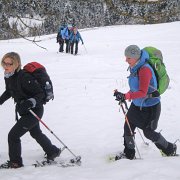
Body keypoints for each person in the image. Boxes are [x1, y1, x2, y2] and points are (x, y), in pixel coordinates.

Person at [114, 45, 177, 160]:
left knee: (148, 132)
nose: (126, 60)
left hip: (151, 107)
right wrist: (123, 95)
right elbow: (135, 89)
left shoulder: (144, 70)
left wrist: (127, 96)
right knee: (128, 126)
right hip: (137, 104)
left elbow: (143, 92)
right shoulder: (135, 67)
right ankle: (129, 154)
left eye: (128, 58)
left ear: (135, 57)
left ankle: (169, 148)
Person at [0, 52, 61, 168]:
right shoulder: (8, 75)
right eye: (4, 62)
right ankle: (52, 151)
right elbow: (9, 91)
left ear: (16, 64)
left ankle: (15, 162)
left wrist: (29, 102)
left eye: (10, 63)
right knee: (35, 132)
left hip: (34, 111)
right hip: (25, 111)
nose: (6, 65)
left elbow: (40, 93)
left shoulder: (24, 77)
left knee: (13, 136)